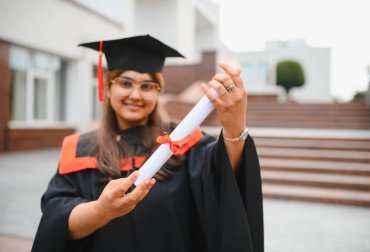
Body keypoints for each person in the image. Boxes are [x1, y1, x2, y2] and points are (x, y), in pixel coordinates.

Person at [32, 35, 264, 252]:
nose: (136, 95)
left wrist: (234, 127)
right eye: (125, 83)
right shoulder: (79, 149)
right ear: (108, 88)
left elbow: (224, 179)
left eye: (147, 86)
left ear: (158, 92)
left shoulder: (183, 140)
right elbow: (58, 219)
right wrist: (101, 211)